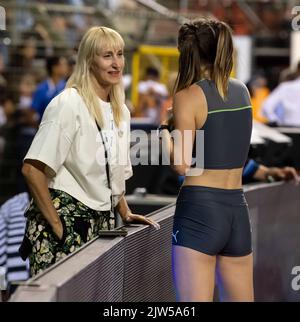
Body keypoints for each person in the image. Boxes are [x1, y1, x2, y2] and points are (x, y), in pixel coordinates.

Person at [20, 26, 159, 277]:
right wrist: (58, 226)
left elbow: (110, 175)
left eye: (119, 54)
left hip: (101, 224)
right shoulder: (68, 103)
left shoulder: (121, 112)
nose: (116, 63)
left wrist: (124, 211)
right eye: (107, 56)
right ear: (89, 61)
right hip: (66, 222)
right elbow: (32, 169)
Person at [159, 18, 253, 301]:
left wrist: (165, 129)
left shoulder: (188, 97)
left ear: (187, 53)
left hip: (200, 210)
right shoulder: (242, 90)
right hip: (237, 209)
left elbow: (182, 164)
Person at [262, 61, 300, 127]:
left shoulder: (285, 87)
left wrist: (276, 122)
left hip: (288, 129)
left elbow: (267, 107)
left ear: (297, 70)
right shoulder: (285, 87)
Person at [31, 55, 69, 121]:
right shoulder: (41, 88)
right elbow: (34, 110)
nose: (66, 67)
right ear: (54, 68)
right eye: (63, 65)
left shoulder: (67, 86)